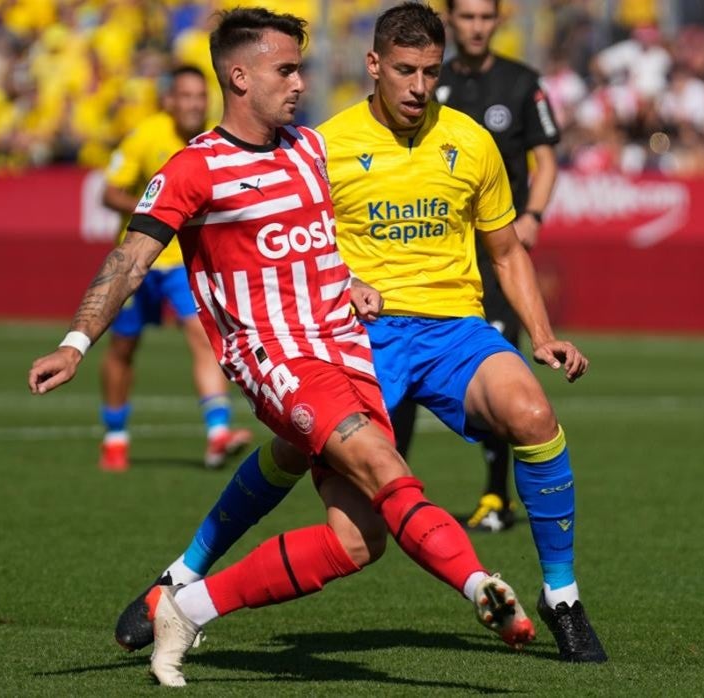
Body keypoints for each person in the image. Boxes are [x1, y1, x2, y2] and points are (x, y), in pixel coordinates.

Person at [28, 8, 534, 686]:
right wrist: (75, 342)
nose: (300, 83)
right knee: (385, 465)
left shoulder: (307, 150)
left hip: (346, 348)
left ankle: (188, 604)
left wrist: (350, 280)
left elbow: (312, 245)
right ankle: (481, 588)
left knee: (359, 542)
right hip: (278, 360)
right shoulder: (194, 169)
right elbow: (129, 260)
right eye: (286, 70)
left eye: (300, 68)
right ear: (240, 76)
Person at [385, 0, 561, 533]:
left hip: (499, 248)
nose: (477, 27)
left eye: (486, 18)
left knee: (500, 374)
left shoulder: (522, 82)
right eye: (468, 17)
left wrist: (532, 215)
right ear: (451, 22)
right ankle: (395, 485)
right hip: (443, 256)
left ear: (498, 22)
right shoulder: (427, 87)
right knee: (406, 381)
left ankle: (492, 495)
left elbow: (546, 158)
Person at [98, 65, 251, 471]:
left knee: (202, 337)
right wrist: (159, 211)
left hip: (184, 262)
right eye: (185, 96)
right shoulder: (145, 136)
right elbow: (109, 193)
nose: (193, 104)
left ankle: (218, 432)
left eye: (200, 97)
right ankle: (115, 437)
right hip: (140, 259)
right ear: (169, 101)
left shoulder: (215, 140)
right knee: (122, 350)